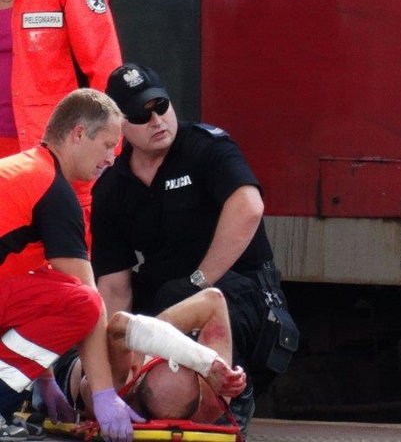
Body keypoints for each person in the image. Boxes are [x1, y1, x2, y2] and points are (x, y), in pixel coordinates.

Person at [92, 64, 298, 433]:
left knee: (208, 315)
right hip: (165, 294)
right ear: (119, 126)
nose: (157, 119)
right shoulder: (112, 187)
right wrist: (108, 370)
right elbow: (113, 287)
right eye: (141, 113)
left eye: (161, 106)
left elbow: (248, 207)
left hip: (239, 286)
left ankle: (230, 404)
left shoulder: (206, 148)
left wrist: (198, 281)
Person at [0, 0, 123, 274]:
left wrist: (103, 152)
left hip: (53, 160)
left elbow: (106, 73)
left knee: (57, 280)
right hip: (6, 161)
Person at [0, 88, 143, 442]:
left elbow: (30, 303)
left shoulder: (26, 172)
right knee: (82, 301)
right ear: (78, 133)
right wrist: (104, 395)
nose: (112, 158)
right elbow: (87, 302)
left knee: (53, 288)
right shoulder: (53, 190)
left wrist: (46, 379)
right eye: (108, 145)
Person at [46, 288, 247, 429]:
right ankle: (154, 338)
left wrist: (151, 336)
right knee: (140, 334)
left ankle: (151, 336)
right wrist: (206, 362)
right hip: (73, 360)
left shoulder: (210, 402)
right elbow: (213, 300)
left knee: (138, 334)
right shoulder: (216, 390)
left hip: (82, 362)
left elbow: (119, 327)